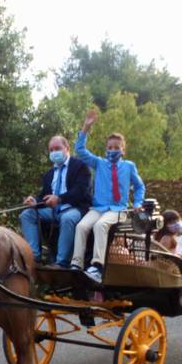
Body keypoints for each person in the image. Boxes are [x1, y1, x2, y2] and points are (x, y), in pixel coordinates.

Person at [71, 108, 146, 282]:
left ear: (123, 150)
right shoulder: (99, 163)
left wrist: (137, 203)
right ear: (106, 149)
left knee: (100, 226)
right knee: (81, 226)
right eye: (110, 147)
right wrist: (86, 128)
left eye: (116, 148)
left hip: (118, 209)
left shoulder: (128, 166)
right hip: (98, 207)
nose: (113, 150)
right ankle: (76, 263)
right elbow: (80, 150)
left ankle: (97, 266)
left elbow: (139, 186)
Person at [19, 135, 91, 268]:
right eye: (51, 150)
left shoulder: (80, 166)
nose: (54, 153)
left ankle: (61, 262)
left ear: (67, 148)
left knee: (68, 218)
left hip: (74, 208)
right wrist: (34, 201)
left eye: (57, 148)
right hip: (53, 210)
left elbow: (81, 191)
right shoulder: (49, 174)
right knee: (27, 214)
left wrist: (59, 198)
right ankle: (34, 256)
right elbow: (44, 196)